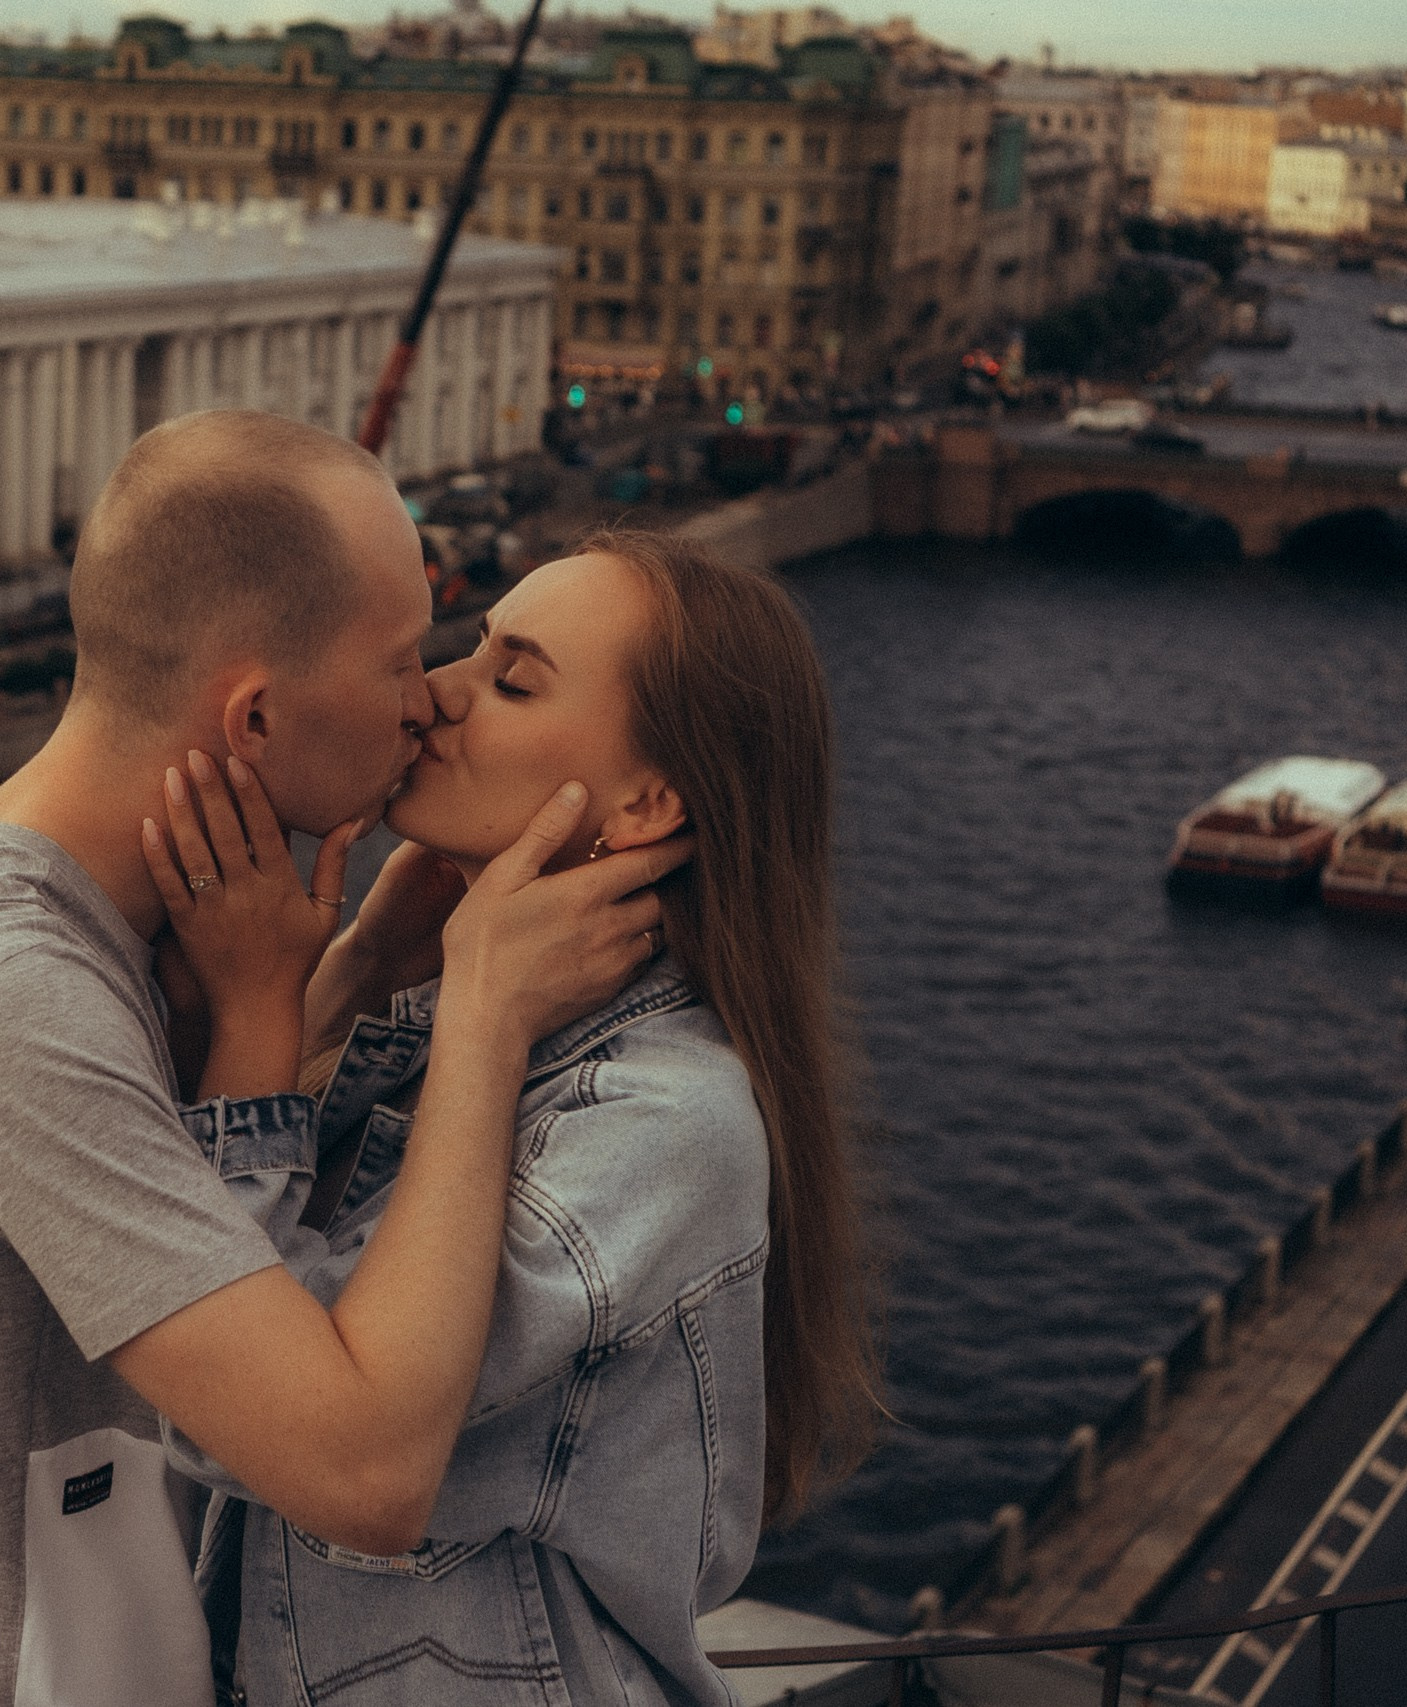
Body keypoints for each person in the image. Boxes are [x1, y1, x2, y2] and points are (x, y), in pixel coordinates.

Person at [0, 413, 682, 1707]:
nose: (428, 697)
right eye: (402, 658)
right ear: (257, 713)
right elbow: (364, 1473)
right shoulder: (7, 1000)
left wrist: (328, 986)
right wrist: (486, 1012)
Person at [142, 529, 879, 1706]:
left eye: (512, 679)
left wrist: (260, 1012)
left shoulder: (661, 1120)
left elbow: (241, 1414)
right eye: (473, 647)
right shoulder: (459, 1016)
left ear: (646, 803)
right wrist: (355, 978)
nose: (437, 692)